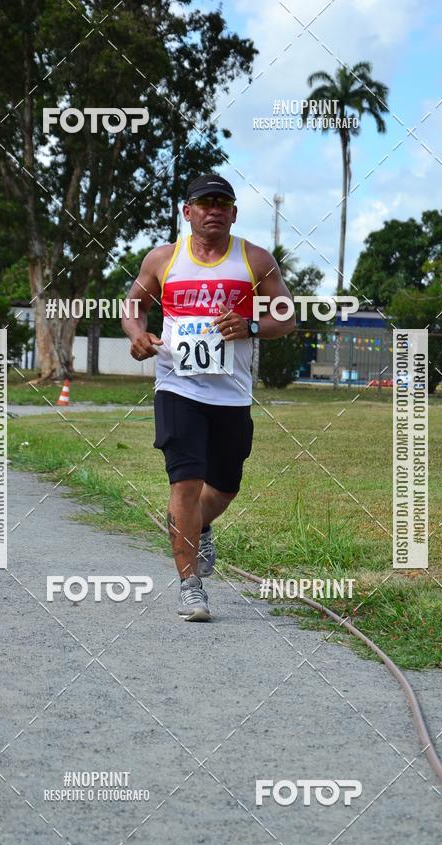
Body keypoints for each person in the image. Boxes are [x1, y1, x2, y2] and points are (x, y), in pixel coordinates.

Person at [121, 174, 295, 622]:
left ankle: (201, 525)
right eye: (204, 202)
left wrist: (252, 325)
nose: (213, 209)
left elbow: (286, 315)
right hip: (178, 385)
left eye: (222, 203)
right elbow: (133, 305)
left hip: (232, 394)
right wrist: (139, 335)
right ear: (188, 212)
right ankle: (190, 586)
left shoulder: (254, 259)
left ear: (234, 213)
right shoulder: (164, 259)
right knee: (185, 482)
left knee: (225, 485)